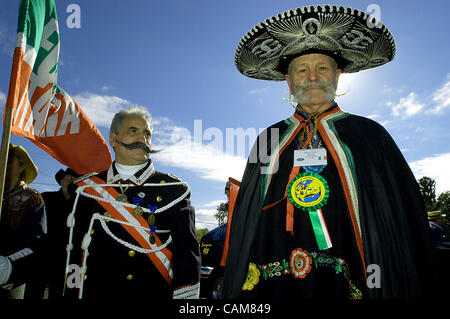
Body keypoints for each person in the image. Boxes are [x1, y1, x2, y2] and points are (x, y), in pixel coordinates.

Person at [222, 4, 438, 299]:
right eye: (302, 69)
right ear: (289, 80)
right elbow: (247, 221)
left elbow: (401, 222)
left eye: (322, 68)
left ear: (337, 75)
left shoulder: (370, 136)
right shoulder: (267, 139)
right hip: (275, 286)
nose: (313, 77)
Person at [63, 106, 200, 299]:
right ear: (113, 138)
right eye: (133, 131)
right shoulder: (86, 190)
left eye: (147, 134)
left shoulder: (173, 191)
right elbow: (72, 251)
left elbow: (187, 257)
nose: (142, 139)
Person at [0, 144, 46, 299]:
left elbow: (37, 242)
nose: (3, 164)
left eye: (9, 160)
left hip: (11, 278)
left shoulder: (31, 198)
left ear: (21, 166)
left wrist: (8, 267)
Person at [41, 168, 79, 298]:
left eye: (74, 179)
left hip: (72, 261)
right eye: (67, 178)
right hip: (46, 256)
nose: (70, 181)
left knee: (69, 293)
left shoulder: (81, 205)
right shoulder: (46, 198)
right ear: (61, 181)